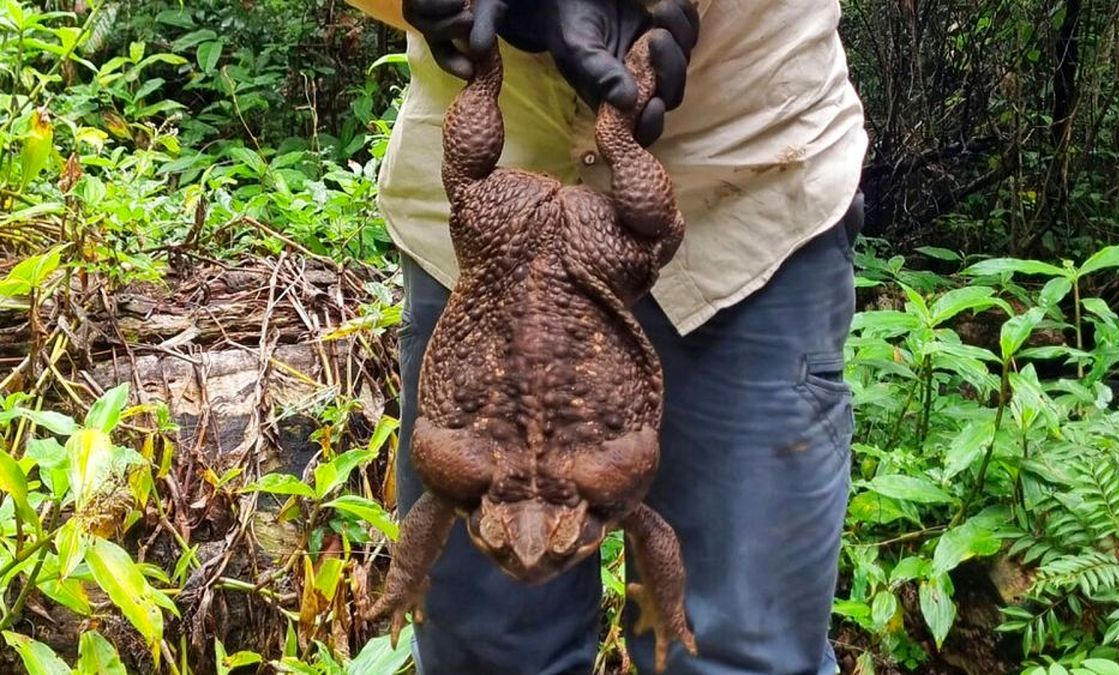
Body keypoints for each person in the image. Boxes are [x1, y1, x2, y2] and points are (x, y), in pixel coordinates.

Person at [346, 1, 868, 673]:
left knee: (742, 652)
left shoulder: (559, 481)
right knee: (482, 654)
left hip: (742, 186)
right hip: (490, 234)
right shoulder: (515, 484)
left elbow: (634, 496)